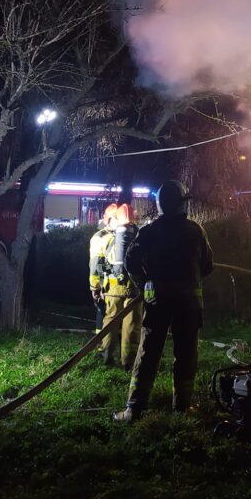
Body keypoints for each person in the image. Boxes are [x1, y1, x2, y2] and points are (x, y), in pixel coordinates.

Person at [115, 180, 214, 422]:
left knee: (148, 353)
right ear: (182, 204)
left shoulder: (150, 231)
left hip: (157, 302)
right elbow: (208, 265)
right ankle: (182, 408)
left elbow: (130, 261)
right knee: (186, 354)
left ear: (160, 204)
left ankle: (134, 409)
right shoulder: (196, 231)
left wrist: (144, 283)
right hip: (188, 304)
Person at [90, 203, 142, 370]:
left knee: (110, 321)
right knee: (132, 324)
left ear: (109, 219)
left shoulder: (100, 237)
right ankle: (129, 362)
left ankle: (106, 356)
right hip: (134, 288)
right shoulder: (136, 234)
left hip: (112, 288)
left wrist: (94, 287)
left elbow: (95, 265)